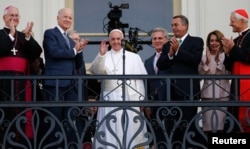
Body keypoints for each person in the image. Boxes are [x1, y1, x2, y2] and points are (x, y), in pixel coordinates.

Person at [89, 29, 149, 149]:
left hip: (130, 98)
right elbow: (96, 71)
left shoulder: (134, 57)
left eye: (118, 39)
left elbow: (140, 81)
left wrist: (142, 100)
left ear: (123, 40)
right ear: (109, 41)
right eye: (113, 39)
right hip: (109, 98)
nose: (116, 42)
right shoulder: (104, 55)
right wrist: (101, 54)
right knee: (110, 128)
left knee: (131, 129)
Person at [157, 15, 204, 148]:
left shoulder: (196, 41)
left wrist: (178, 51)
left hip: (188, 92)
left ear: (185, 25)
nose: (173, 27)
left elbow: (195, 60)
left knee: (188, 127)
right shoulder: (167, 45)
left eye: (176, 25)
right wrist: (170, 54)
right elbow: (161, 65)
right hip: (170, 92)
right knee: (172, 128)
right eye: (172, 25)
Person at [42, 8, 86, 147]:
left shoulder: (69, 39)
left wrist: (79, 50)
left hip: (70, 86)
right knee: (54, 121)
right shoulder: (50, 33)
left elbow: (78, 64)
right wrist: (74, 50)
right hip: (55, 84)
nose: (68, 20)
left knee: (69, 121)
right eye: (65, 17)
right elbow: (54, 52)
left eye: (70, 18)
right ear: (58, 18)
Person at [0, 5, 42, 145]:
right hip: (3, 83)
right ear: (4, 18)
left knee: (22, 115)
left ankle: (22, 144)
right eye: (11, 15)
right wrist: (11, 35)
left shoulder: (24, 36)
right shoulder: (1, 34)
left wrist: (28, 37)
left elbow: (36, 53)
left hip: (22, 84)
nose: (14, 18)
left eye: (17, 15)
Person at [222, 8, 250, 132]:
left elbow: (248, 58)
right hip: (236, 85)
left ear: (242, 21)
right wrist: (228, 53)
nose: (230, 24)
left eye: (232, 21)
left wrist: (233, 48)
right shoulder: (236, 40)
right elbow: (229, 66)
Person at [198, 30, 231, 135]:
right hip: (208, 96)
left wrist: (218, 62)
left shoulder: (226, 56)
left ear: (221, 42)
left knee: (221, 129)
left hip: (223, 95)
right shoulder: (203, 57)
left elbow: (228, 74)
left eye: (216, 40)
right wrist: (207, 63)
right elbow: (199, 76)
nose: (214, 43)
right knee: (208, 129)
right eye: (211, 40)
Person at [144, 27, 168, 148]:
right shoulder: (148, 62)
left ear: (166, 40)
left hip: (169, 101)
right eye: (154, 38)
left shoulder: (172, 58)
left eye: (160, 38)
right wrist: (147, 103)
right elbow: (146, 84)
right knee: (156, 135)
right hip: (153, 105)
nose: (157, 41)